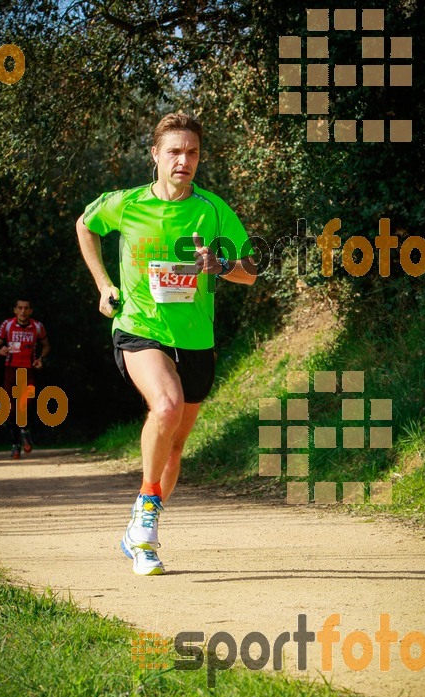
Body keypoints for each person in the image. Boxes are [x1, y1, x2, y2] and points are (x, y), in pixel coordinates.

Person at [76, 112, 256, 577]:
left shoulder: (213, 210)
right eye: (174, 151)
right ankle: (148, 516)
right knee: (167, 406)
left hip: (196, 339)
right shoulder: (126, 203)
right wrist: (103, 284)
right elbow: (85, 225)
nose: (184, 160)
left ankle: (141, 523)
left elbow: (251, 271)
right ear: (155, 154)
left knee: (175, 447)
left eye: (192, 152)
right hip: (139, 327)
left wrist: (219, 266)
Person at [0, 298, 50, 458]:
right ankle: (16, 444)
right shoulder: (7, 325)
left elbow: (46, 345)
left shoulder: (37, 327)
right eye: (20, 308)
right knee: (9, 410)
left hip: (28, 371)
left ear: (31, 310)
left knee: (24, 404)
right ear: (15, 310)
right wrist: (1, 351)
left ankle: (24, 430)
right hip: (11, 371)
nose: (23, 311)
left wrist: (41, 359)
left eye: (26, 308)